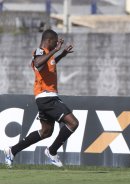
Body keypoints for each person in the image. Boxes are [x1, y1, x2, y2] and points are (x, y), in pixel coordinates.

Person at [3, 29, 79, 168]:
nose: (57, 44)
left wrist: (61, 54)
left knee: (46, 132)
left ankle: (12, 150)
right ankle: (52, 151)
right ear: (49, 41)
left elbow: (49, 64)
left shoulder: (48, 55)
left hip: (46, 98)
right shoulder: (40, 51)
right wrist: (55, 50)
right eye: (56, 42)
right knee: (73, 123)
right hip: (47, 97)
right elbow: (38, 63)